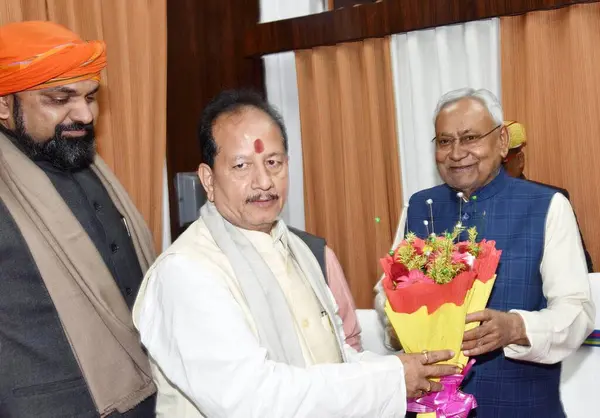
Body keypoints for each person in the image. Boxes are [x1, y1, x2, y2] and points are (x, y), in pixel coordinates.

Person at [133, 89, 459, 417]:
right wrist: (390, 380)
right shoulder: (187, 273)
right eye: (242, 165)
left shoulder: (298, 249)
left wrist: (410, 369)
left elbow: (334, 357)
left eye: (273, 162)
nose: (263, 181)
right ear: (208, 179)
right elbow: (253, 401)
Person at [375, 88, 594, 417]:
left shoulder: (546, 206)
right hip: (428, 406)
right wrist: (396, 324)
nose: (457, 152)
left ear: (502, 141)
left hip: (522, 406)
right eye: (445, 141)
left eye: (470, 137)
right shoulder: (419, 206)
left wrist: (517, 327)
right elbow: (387, 290)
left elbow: (577, 311)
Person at [0, 21, 156, 417]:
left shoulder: (86, 162)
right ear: (4, 105)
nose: (84, 114)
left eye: (90, 96)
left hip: (146, 395)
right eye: (60, 98)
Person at [503, 120, 594, 272]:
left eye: (501, 165)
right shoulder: (474, 202)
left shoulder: (552, 201)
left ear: (520, 160)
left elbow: (579, 266)